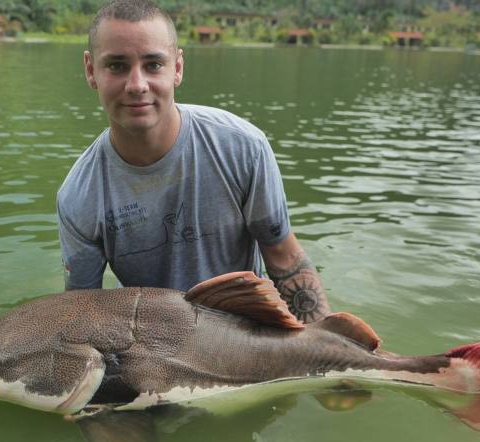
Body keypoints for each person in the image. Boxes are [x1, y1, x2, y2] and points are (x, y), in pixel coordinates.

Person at [57, 0, 331, 323]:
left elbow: (284, 257)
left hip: (247, 332)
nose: (137, 85)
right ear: (91, 70)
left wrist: (328, 345)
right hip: (149, 341)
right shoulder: (79, 197)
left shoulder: (242, 148)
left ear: (177, 68)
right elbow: (83, 312)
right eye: (117, 66)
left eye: (153, 65)